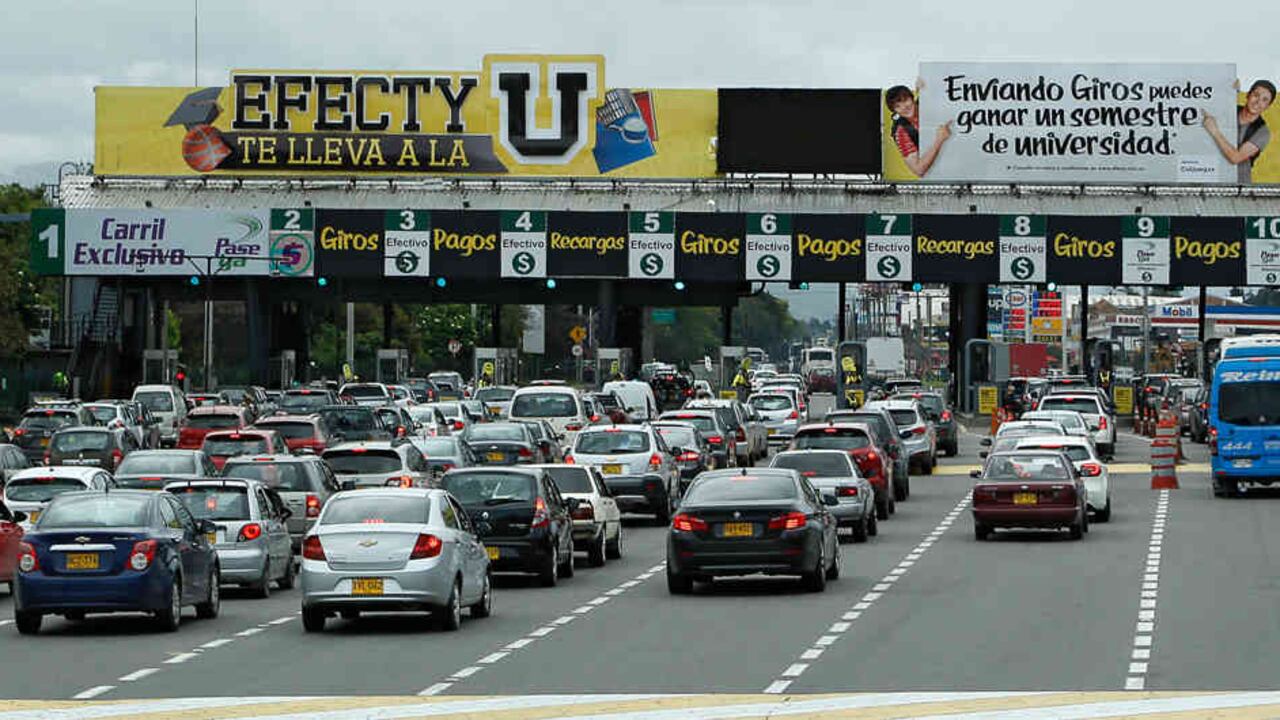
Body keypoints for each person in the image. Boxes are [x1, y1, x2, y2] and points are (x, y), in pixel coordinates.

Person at [1203, 79, 1276, 184]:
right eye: (1256, 95)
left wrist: (1214, 131)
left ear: (1267, 106)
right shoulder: (1230, 110)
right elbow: (1207, 107)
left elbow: (1235, 158)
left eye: (1264, 100)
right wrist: (1228, 90)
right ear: (1248, 95)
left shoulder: (1263, 132)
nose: (1258, 102)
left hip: (1238, 185)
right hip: (1214, 176)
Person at [885, 82, 953, 179]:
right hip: (943, 171)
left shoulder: (926, 101)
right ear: (895, 111)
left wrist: (926, 83)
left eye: (905, 100)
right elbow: (919, 170)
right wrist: (939, 140)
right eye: (897, 106)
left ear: (912, 98)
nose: (904, 107)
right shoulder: (901, 132)